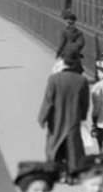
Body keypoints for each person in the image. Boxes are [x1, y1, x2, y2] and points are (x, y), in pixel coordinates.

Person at [38, 45, 90, 183]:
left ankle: (58, 173)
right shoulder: (82, 81)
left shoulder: (54, 79)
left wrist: (42, 118)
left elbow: (48, 101)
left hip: (56, 119)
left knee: (55, 146)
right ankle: (72, 175)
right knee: (73, 147)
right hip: (73, 118)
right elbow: (85, 102)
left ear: (63, 61)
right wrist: (83, 117)